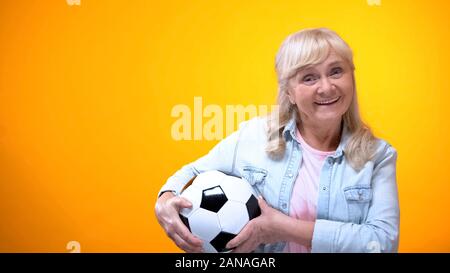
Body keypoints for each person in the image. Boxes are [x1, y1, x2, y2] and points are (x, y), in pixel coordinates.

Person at [154, 27, 399, 253]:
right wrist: (164, 201)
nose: (326, 87)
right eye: (309, 77)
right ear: (289, 92)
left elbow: (383, 242)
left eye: (336, 71)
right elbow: (192, 172)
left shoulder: (378, 156)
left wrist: (283, 227)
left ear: (351, 78)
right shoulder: (253, 137)